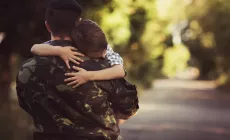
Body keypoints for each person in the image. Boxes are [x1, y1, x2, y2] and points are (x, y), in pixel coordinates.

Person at [16, 0, 139, 140]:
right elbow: (129, 106)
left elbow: (26, 105)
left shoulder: (27, 69)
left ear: (47, 26)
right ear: (78, 23)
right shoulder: (102, 66)